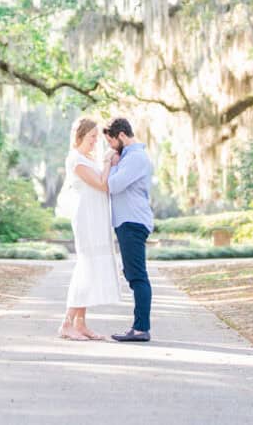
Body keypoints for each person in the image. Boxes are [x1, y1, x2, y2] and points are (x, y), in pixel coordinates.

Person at [55, 116, 124, 340]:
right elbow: (102, 184)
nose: (96, 140)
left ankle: (81, 323)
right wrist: (106, 162)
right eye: (92, 136)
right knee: (86, 269)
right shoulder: (76, 159)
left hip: (97, 218)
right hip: (86, 219)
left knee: (92, 270)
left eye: (96, 136)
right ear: (81, 136)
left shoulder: (86, 158)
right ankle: (66, 323)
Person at [103, 116, 153, 342]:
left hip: (132, 222)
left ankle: (141, 328)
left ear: (121, 135)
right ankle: (139, 326)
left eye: (111, 142)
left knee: (137, 276)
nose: (111, 148)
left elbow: (113, 186)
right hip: (127, 221)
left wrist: (112, 166)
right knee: (133, 274)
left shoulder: (136, 158)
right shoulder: (129, 157)